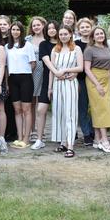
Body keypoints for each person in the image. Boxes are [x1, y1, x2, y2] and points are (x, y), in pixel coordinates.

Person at [49, 25, 84, 158]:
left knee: (70, 113)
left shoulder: (76, 49)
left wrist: (65, 70)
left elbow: (80, 67)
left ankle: (70, 145)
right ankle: (63, 142)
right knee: (59, 113)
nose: (63, 36)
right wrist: (50, 87)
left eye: (65, 34)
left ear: (70, 35)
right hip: (57, 84)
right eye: (61, 34)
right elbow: (52, 70)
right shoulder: (55, 49)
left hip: (70, 83)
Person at [84, 26, 110, 153]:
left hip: (106, 79)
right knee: (102, 109)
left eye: (101, 33)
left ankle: (97, 139)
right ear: (93, 37)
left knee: (100, 109)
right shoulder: (89, 50)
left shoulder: (107, 48)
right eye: (97, 34)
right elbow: (87, 69)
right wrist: (97, 84)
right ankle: (104, 140)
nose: (100, 36)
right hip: (94, 79)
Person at [5, 21, 36, 148]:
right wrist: (7, 82)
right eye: (13, 29)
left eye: (18, 29)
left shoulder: (28, 45)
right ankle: (19, 137)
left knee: (26, 109)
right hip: (12, 79)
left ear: (21, 31)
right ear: (10, 31)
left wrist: (25, 72)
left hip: (25, 78)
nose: (15, 32)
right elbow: (6, 66)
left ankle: (26, 138)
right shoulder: (7, 47)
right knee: (17, 110)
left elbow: (33, 63)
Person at [31, 20, 59, 150]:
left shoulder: (64, 43)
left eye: (54, 28)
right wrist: (57, 73)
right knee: (41, 109)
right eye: (49, 29)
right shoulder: (43, 44)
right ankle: (39, 139)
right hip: (47, 80)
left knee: (61, 110)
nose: (52, 30)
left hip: (63, 80)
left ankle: (62, 138)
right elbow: (47, 62)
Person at [75, 17, 95, 146]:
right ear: (78, 30)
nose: (85, 29)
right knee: (82, 108)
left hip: (95, 79)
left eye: (87, 27)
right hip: (80, 79)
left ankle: (93, 131)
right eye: (82, 27)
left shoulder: (95, 42)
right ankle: (86, 134)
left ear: (91, 28)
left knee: (95, 107)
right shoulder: (75, 44)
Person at [26, 16, 46, 143]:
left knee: (43, 102)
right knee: (32, 102)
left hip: (45, 71)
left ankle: (41, 131)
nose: (36, 27)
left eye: (38, 25)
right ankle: (33, 130)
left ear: (43, 25)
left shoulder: (48, 39)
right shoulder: (27, 39)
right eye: (34, 25)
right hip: (32, 71)